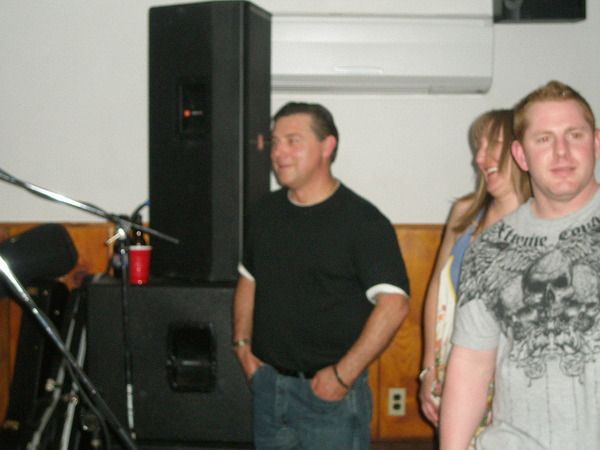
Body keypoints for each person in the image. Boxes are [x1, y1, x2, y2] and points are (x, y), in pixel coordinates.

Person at [233, 102, 410, 450]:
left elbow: (395, 304)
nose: (278, 152)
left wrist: (342, 376)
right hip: (269, 388)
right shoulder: (265, 212)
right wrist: (242, 347)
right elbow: (248, 280)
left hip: (330, 400)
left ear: (327, 146)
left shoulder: (363, 221)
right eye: (275, 142)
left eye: (293, 141)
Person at [440, 80, 600, 450]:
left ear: (595, 143)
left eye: (574, 135)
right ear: (521, 155)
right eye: (544, 139)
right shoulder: (491, 246)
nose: (561, 152)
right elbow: (471, 365)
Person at [419, 109, 531, 438]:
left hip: (514, 389)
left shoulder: (541, 223)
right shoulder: (465, 213)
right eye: (477, 147)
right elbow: (437, 291)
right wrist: (428, 369)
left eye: (493, 144)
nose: (480, 158)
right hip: (453, 371)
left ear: (519, 149)